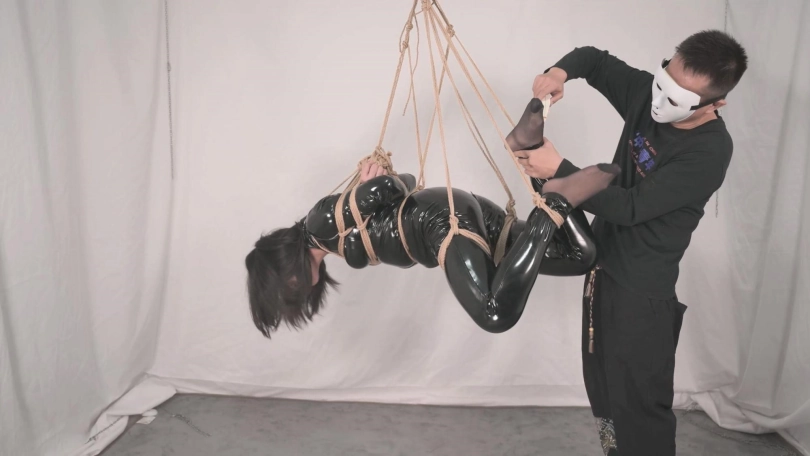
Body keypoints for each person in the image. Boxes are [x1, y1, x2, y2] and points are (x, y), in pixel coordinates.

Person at [515, 30, 748, 455]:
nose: (659, 101)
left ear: (714, 104)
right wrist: (558, 73)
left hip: (642, 293)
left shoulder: (710, 151)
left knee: (639, 409)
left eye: (676, 99)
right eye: (663, 82)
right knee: (604, 395)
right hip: (600, 269)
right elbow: (596, 60)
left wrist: (560, 170)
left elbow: (631, 207)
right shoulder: (648, 94)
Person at [245, 98, 621, 338]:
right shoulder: (326, 240)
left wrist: (376, 182)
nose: (297, 291)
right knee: (580, 256)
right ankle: (532, 150)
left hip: (441, 223)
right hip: (458, 212)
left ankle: (554, 202)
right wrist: (377, 189)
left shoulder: (319, 224)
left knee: (494, 314)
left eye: (287, 289)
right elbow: (401, 188)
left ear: (286, 272)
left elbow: (398, 185)